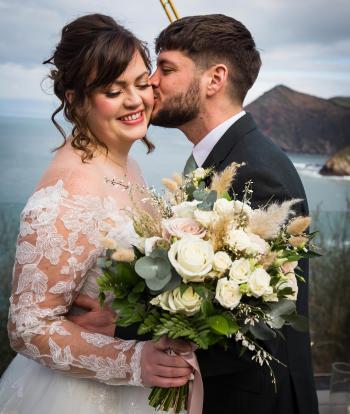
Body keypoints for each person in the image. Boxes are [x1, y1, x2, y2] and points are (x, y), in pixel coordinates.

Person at [75, 14, 319, 414]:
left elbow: (258, 322)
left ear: (214, 79)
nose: (151, 81)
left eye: (166, 69)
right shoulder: (222, 157)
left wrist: (121, 327)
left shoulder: (255, 170)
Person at [0, 14, 193, 414]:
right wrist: (132, 360)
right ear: (75, 98)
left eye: (142, 84)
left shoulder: (126, 165)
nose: (135, 100)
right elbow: (27, 327)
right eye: (113, 89)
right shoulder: (68, 193)